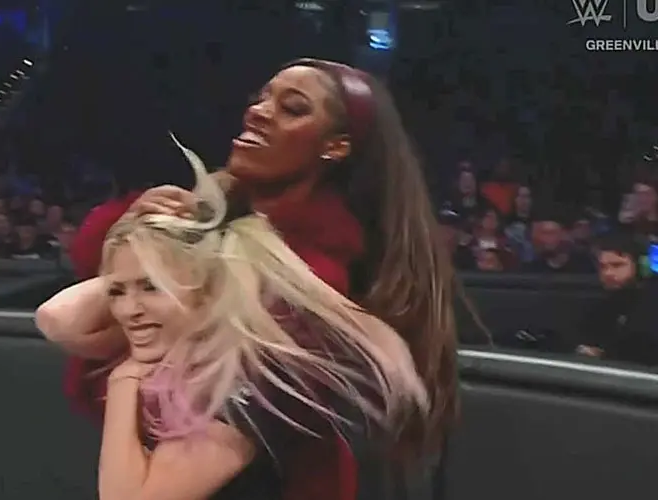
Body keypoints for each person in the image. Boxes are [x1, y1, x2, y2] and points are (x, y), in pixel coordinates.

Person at [60, 59, 458, 499]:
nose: (258, 111)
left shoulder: (303, 287)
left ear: (336, 146)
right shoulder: (213, 230)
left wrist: (125, 379)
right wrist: (135, 232)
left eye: (293, 108)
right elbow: (62, 318)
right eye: (262, 98)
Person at [576, 232, 658, 367]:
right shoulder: (609, 301)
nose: (607, 273)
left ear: (641, 266)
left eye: (617, 265)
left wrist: (604, 355)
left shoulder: (653, 301)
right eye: (603, 267)